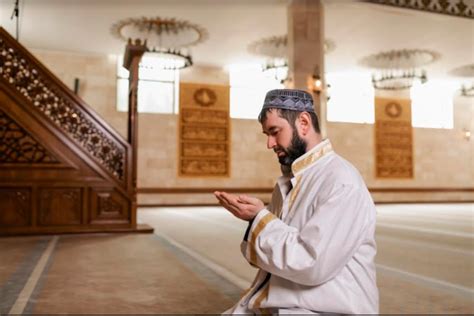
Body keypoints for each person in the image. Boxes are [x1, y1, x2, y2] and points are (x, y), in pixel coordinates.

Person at [214, 89, 379, 314]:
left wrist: (260, 218)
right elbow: (275, 253)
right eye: (267, 134)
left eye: (274, 131)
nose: (269, 144)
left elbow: (312, 263)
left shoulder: (341, 181)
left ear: (303, 122)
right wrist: (256, 220)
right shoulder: (288, 181)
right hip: (284, 304)